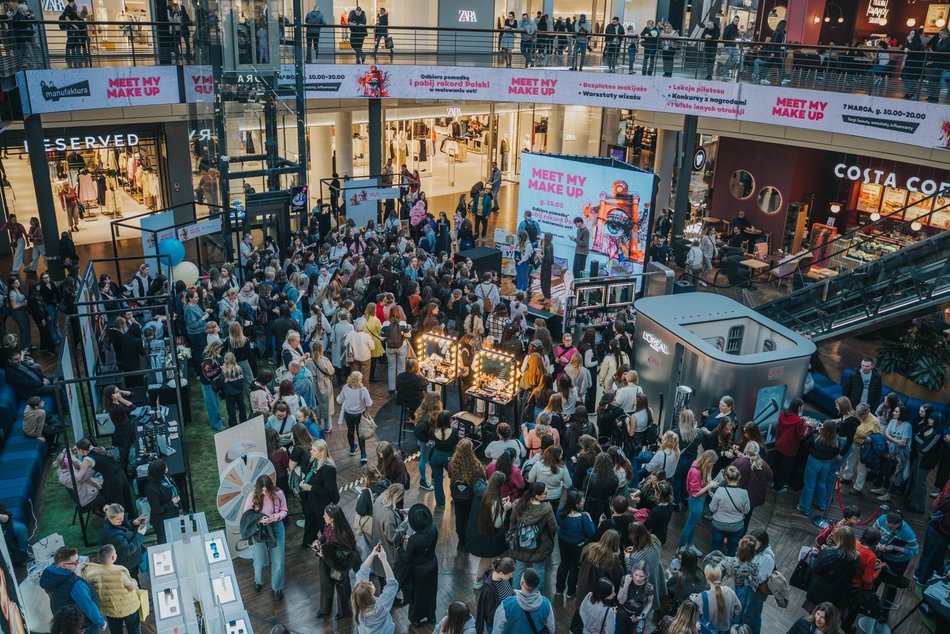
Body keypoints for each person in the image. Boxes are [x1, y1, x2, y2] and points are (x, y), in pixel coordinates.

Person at [40, 547, 107, 633]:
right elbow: (88, 606)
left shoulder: (49, 574)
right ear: (63, 566)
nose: (78, 563)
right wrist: (101, 622)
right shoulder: (75, 584)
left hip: (67, 624)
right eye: (75, 562)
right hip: (85, 626)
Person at [242, 475, 287, 600]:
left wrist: (277, 517)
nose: (265, 492)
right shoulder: (252, 496)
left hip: (276, 527)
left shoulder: (279, 493)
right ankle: (258, 581)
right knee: (259, 559)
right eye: (262, 490)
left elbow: (284, 510)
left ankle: (277, 588)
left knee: (278, 559)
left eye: (267, 490)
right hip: (260, 529)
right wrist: (260, 519)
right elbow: (247, 514)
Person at [81, 544, 140, 634]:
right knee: (133, 628)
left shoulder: (92, 572)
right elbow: (131, 587)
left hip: (110, 610)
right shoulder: (119, 572)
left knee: (115, 630)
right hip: (128, 608)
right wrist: (134, 581)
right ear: (113, 557)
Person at [508, 482, 557, 588]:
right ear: (537, 496)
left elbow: (512, 521)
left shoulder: (518, 504)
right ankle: (535, 595)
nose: (547, 495)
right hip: (540, 546)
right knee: (539, 570)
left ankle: (516, 594)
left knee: (519, 569)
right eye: (545, 493)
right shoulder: (546, 509)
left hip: (519, 543)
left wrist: (512, 535)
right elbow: (553, 528)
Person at [467, 472, 511, 589]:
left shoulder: (482, 492)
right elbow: (497, 523)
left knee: (487, 559)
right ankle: (478, 581)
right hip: (488, 536)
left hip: (478, 531)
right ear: (501, 485)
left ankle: (487, 577)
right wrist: (505, 508)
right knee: (486, 559)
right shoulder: (494, 501)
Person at [314, 503, 358, 619]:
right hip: (326, 562)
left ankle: (344, 611)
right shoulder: (329, 525)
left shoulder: (344, 534)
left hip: (338, 566)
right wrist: (319, 541)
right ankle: (324, 609)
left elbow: (346, 555)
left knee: (342, 588)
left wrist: (326, 554)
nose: (323, 516)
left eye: (325, 515)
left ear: (332, 518)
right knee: (326, 584)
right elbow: (325, 536)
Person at [399, 504, 439, 626]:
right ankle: (431, 615)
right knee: (431, 592)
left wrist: (401, 549)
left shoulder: (414, 539)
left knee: (417, 594)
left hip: (418, 570)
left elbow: (406, 558)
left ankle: (416, 618)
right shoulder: (433, 529)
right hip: (432, 564)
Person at [555, 489, 596, 597]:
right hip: (577, 544)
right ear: (576, 504)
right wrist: (590, 518)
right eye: (582, 501)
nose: (584, 502)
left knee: (563, 564)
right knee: (574, 567)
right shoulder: (583, 517)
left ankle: (559, 589)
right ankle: (570, 591)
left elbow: (558, 522)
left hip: (562, 540)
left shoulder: (560, 510)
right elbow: (592, 532)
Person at [873, 510, 919, 606]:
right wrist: (877, 543)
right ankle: (870, 602)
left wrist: (894, 547)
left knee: (891, 586)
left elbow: (914, 551)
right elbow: (873, 532)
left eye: (892, 526)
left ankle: (885, 610)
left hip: (898, 562)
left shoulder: (908, 533)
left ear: (900, 523)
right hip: (882, 556)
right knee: (875, 579)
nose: (889, 527)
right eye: (888, 524)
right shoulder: (881, 519)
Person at [300, 439, 339, 548]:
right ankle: (307, 542)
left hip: (322, 504)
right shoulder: (314, 461)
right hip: (312, 501)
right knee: (310, 523)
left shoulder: (329, 468)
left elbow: (328, 490)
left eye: (314, 450)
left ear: (322, 452)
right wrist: (305, 481)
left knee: (324, 527)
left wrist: (310, 487)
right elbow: (308, 473)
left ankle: (329, 548)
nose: (311, 452)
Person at [492, 567, 555, 633]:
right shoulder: (546, 604)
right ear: (536, 585)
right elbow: (551, 628)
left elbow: (497, 629)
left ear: (522, 582)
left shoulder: (506, 605)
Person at [352, 544, 399, 633]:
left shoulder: (357, 599)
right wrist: (384, 560)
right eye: (370, 585)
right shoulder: (381, 607)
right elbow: (392, 584)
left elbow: (361, 572)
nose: (371, 582)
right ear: (370, 594)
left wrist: (372, 554)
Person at [449, 438, 485, 551]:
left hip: (457, 496)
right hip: (471, 497)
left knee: (459, 518)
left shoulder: (452, 463)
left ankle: (461, 541)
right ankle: (468, 542)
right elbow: (482, 478)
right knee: (469, 518)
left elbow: (450, 476)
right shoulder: (477, 465)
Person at [797, 420, 840, 516]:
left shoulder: (816, 438)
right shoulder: (836, 442)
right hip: (827, 464)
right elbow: (835, 453)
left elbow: (806, 445)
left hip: (814, 462)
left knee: (809, 485)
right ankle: (822, 504)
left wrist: (815, 432)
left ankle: (805, 508)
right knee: (821, 483)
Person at [678, 450, 719, 548]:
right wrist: (709, 486)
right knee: (690, 525)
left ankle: (690, 545)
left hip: (700, 499)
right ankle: (681, 547)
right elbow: (695, 493)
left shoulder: (698, 465)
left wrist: (708, 486)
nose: (712, 466)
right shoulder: (695, 472)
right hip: (696, 501)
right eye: (712, 464)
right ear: (708, 461)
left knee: (693, 524)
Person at [690, 564, 741, 634]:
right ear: (720, 576)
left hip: (708, 631)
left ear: (707, 578)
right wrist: (728, 616)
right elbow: (738, 609)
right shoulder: (730, 591)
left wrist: (695, 600)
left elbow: (695, 616)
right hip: (725, 630)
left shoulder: (702, 597)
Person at [99, 504, 146, 574]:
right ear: (109, 518)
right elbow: (128, 550)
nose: (121, 520)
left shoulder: (111, 523)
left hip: (125, 562)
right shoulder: (113, 535)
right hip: (126, 565)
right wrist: (140, 534)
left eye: (122, 516)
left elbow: (121, 526)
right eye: (118, 518)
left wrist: (132, 523)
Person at [336, 371, 373, 462]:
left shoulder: (345, 388)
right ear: (359, 380)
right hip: (359, 414)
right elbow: (369, 403)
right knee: (360, 433)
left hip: (348, 414)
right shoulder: (363, 390)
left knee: (350, 431)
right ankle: (363, 454)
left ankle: (352, 449)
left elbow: (339, 401)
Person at [143, 459, 180, 545]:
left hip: (173, 513)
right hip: (162, 521)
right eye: (164, 467)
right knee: (164, 543)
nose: (167, 467)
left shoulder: (166, 476)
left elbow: (173, 485)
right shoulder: (151, 489)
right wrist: (172, 502)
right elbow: (157, 509)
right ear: (159, 472)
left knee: (175, 538)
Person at [774, 399, 807, 492]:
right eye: (802, 406)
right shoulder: (798, 421)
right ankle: (778, 487)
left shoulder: (782, 414)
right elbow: (801, 435)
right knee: (785, 468)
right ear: (799, 407)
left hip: (779, 443)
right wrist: (807, 427)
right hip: (790, 448)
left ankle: (774, 482)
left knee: (777, 464)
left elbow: (778, 426)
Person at [475, 557, 515, 633]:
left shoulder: (504, 578)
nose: (512, 577)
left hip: (507, 619)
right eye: (510, 575)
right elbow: (482, 609)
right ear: (501, 573)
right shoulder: (488, 589)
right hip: (495, 623)